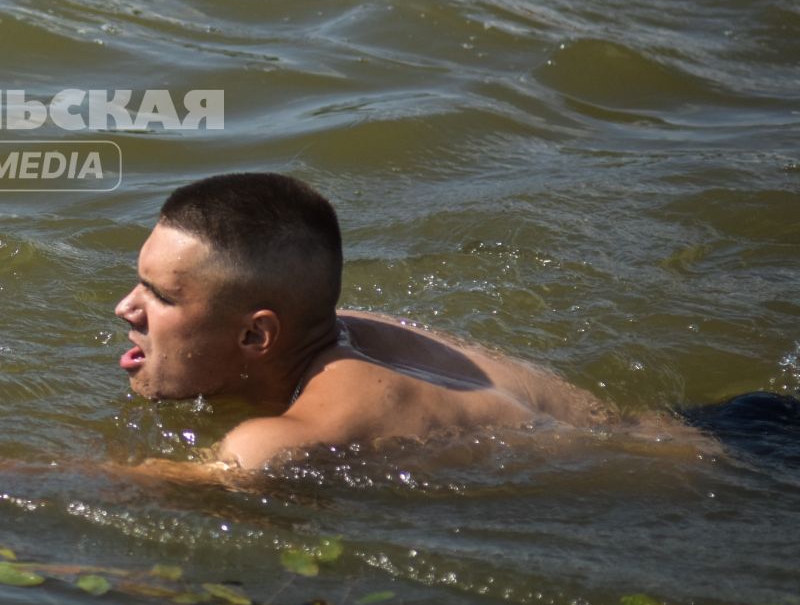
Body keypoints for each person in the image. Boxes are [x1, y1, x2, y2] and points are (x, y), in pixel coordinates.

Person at [108, 172, 785, 477]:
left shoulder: (270, 445)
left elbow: (71, 492)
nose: (126, 309)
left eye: (160, 295)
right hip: (729, 425)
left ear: (258, 336)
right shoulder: (335, 329)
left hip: (747, 479)